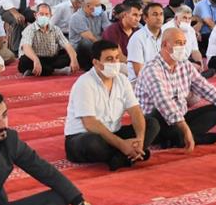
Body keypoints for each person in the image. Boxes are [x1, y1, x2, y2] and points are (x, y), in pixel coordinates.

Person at [134, 27, 216, 149]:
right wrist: (185, 129)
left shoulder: (184, 65)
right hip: (156, 123)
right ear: (165, 44)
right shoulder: (152, 69)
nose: (182, 47)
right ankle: (185, 137)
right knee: (159, 114)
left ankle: (178, 139)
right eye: (178, 43)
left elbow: (207, 88)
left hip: (180, 117)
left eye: (184, 43)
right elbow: (164, 102)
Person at [64, 40, 158, 170]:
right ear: (96, 63)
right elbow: (90, 123)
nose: (115, 63)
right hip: (83, 136)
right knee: (93, 143)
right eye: (109, 59)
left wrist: (140, 140)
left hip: (113, 133)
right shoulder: (84, 83)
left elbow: (135, 111)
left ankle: (122, 157)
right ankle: (127, 154)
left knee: (151, 123)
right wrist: (122, 145)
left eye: (117, 58)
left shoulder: (122, 80)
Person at [17, 4, 76, 77]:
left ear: (51, 15)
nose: (44, 16)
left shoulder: (55, 29)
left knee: (69, 55)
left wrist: (74, 59)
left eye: (46, 14)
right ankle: (55, 71)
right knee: (24, 61)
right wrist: (36, 60)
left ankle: (37, 71)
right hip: (34, 58)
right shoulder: (30, 29)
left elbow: (67, 45)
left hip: (51, 59)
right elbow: (26, 47)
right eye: (41, 14)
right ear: (36, 15)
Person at [68, 0, 107, 71]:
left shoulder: (101, 13)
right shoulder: (77, 17)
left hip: (98, 43)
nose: (99, 7)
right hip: (80, 49)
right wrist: (105, 47)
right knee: (86, 42)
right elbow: (90, 38)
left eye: (99, 4)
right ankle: (91, 67)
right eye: (97, 5)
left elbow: (108, 30)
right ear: (88, 6)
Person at [162, 4, 206, 73]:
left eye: (189, 18)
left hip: (185, 60)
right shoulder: (167, 29)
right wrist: (188, 65)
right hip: (169, 62)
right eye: (184, 18)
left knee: (200, 66)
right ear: (176, 18)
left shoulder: (191, 30)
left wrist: (200, 63)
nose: (187, 21)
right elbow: (167, 55)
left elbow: (195, 51)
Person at [125, 1, 164, 78]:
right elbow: (139, 72)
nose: (159, 18)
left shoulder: (166, 36)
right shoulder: (137, 38)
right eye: (155, 14)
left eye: (161, 14)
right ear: (145, 18)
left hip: (162, 78)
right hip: (141, 82)